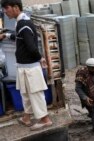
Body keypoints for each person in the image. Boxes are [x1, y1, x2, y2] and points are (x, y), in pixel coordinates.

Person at [0, 0, 52, 131]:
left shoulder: (24, 24)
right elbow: (20, 38)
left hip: (30, 67)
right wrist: (6, 35)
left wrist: (40, 58)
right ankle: (26, 117)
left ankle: (45, 120)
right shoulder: (20, 22)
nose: (5, 11)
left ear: (16, 7)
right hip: (24, 66)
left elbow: (31, 46)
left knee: (35, 94)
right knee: (26, 93)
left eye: (6, 8)